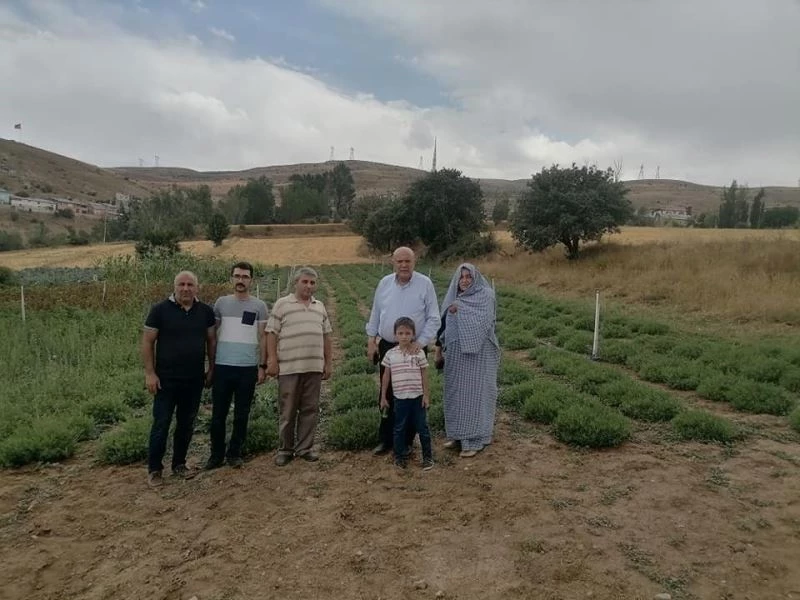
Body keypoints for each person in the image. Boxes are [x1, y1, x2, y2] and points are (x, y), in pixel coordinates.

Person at [142, 271, 216, 487]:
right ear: (174, 287)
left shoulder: (205, 312)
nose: (186, 288)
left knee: (186, 423)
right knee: (161, 423)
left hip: (193, 380)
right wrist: (150, 373)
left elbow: (211, 341)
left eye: (190, 284)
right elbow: (147, 343)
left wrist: (211, 368)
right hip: (165, 380)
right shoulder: (159, 310)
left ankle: (179, 464)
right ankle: (155, 469)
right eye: (181, 284)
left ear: (197, 288)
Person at [366, 246, 440, 456]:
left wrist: (422, 341)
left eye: (408, 261)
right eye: (400, 261)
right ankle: (385, 439)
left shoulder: (425, 284)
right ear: (393, 262)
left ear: (414, 262)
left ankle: (407, 441)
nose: (404, 265)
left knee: (411, 395)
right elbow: (375, 313)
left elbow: (434, 317)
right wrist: (371, 341)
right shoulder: (384, 283)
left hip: (414, 347)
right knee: (387, 392)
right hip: (389, 347)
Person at [205, 262, 269, 470]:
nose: (241, 280)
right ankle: (216, 455)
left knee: (242, 413)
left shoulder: (259, 306)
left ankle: (235, 452)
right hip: (223, 366)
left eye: (245, 277)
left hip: (247, 367)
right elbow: (212, 336)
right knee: (218, 415)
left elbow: (263, 337)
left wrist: (262, 365)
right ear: (231, 278)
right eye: (237, 276)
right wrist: (211, 365)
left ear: (251, 280)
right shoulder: (221, 303)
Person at [266, 267, 332, 466]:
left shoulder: (319, 306)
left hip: (313, 368)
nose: (309, 286)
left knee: (310, 409)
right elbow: (271, 333)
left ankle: (305, 448)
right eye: (305, 282)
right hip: (289, 368)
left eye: (312, 283)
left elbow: (326, 336)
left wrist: (328, 362)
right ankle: (285, 450)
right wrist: (272, 360)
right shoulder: (282, 304)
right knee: (287, 411)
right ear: (296, 283)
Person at [434, 263, 500, 458]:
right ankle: (457, 435)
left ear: (475, 278)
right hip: (456, 354)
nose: (464, 280)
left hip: (478, 355)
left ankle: (475, 440)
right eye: (461, 277)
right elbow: (443, 325)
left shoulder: (486, 295)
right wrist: (439, 350)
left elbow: (484, 320)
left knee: (475, 395)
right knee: (455, 394)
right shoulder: (454, 297)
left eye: (468, 277)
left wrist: (460, 309)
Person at [380, 317, 434, 470]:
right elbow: (386, 376)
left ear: (413, 334)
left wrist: (426, 395)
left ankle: (428, 458)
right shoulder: (390, 354)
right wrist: (383, 396)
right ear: (395, 335)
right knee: (399, 428)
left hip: (417, 398)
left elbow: (424, 374)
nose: (404, 336)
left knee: (422, 428)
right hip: (400, 399)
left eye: (407, 333)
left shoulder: (419, 353)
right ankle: (399, 457)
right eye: (400, 333)